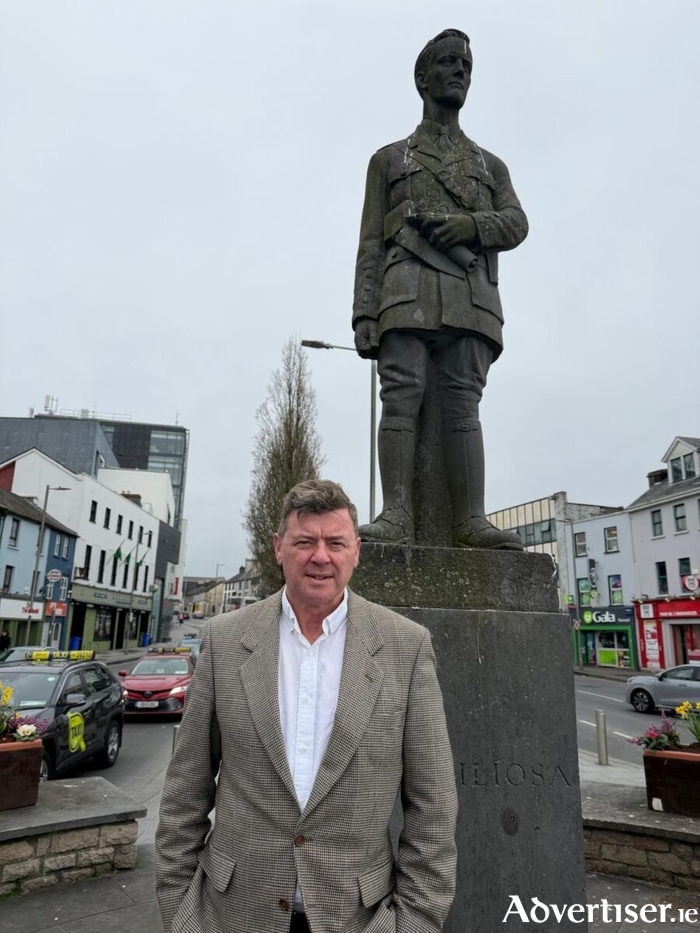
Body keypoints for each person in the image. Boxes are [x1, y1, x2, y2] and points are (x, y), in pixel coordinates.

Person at [156, 480, 457, 933]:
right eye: (304, 542)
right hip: (231, 916)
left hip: (359, 920)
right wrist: (182, 914)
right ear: (279, 548)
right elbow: (185, 789)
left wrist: (412, 922)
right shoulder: (225, 640)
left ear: (356, 552)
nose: (321, 556)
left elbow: (434, 806)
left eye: (335, 543)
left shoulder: (406, 647)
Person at [353, 28, 528, 549]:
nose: (459, 72)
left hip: (471, 297)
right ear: (422, 78)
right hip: (404, 291)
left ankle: (470, 521)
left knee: (462, 404)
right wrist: (364, 314)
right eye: (449, 62)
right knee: (399, 395)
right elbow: (369, 242)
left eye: (466, 66)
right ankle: (396, 516)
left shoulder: (490, 164)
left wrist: (471, 226)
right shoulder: (389, 159)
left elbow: (517, 223)